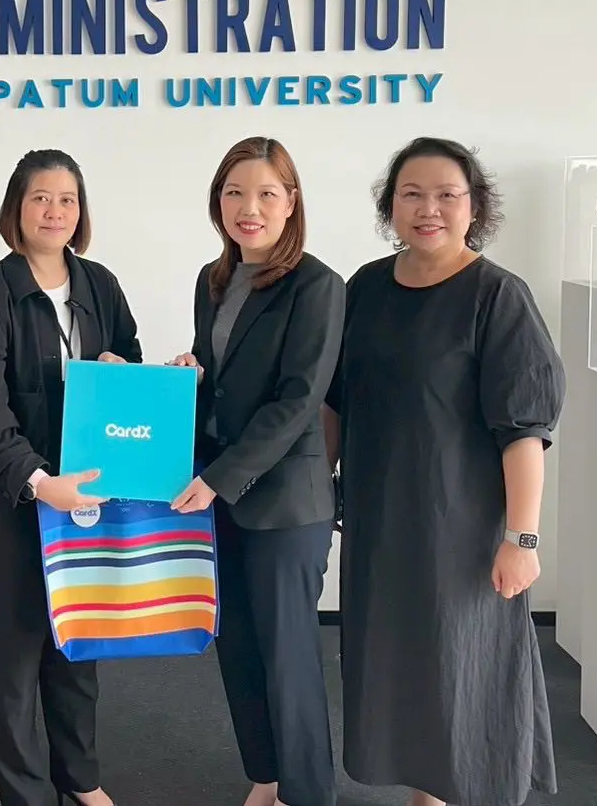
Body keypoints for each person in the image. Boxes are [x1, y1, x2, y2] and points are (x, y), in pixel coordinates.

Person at [323, 136, 563, 806]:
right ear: (389, 207)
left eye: (446, 195)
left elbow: (524, 431)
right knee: (400, 664)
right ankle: (427, 794)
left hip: (462, 525)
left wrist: (522, 538)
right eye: (412, 195)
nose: (428, 209)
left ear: (473, 206)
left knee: (463, 664)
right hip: (379, 520)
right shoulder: (366, 287)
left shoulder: (498, 296)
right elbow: (335, 401)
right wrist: (320, 490)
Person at [0, 148, 141, 806]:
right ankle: (26, 793)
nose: (55, 211)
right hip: (13, 502)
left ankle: (80, 780)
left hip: (85, 501)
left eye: (67, 200)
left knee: (77, 646)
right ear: (16, 208)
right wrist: (38, 482)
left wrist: (121, 370)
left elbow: (130, 361)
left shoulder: (100, 285)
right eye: (40, 198)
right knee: (14, 657)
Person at [167, 137, 345, 806]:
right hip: (220, 494)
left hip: (284, 504)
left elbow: (298, 401)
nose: (250, 207)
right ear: (217, 201)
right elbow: (222, 386)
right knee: (237, 646)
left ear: (291, 202)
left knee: (288, 658)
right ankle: (266, 780)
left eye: (267, 193)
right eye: (235, 192)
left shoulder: (317, 285)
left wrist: (220, 477)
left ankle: (308, 793)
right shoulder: (213, 279)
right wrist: (190, 378)